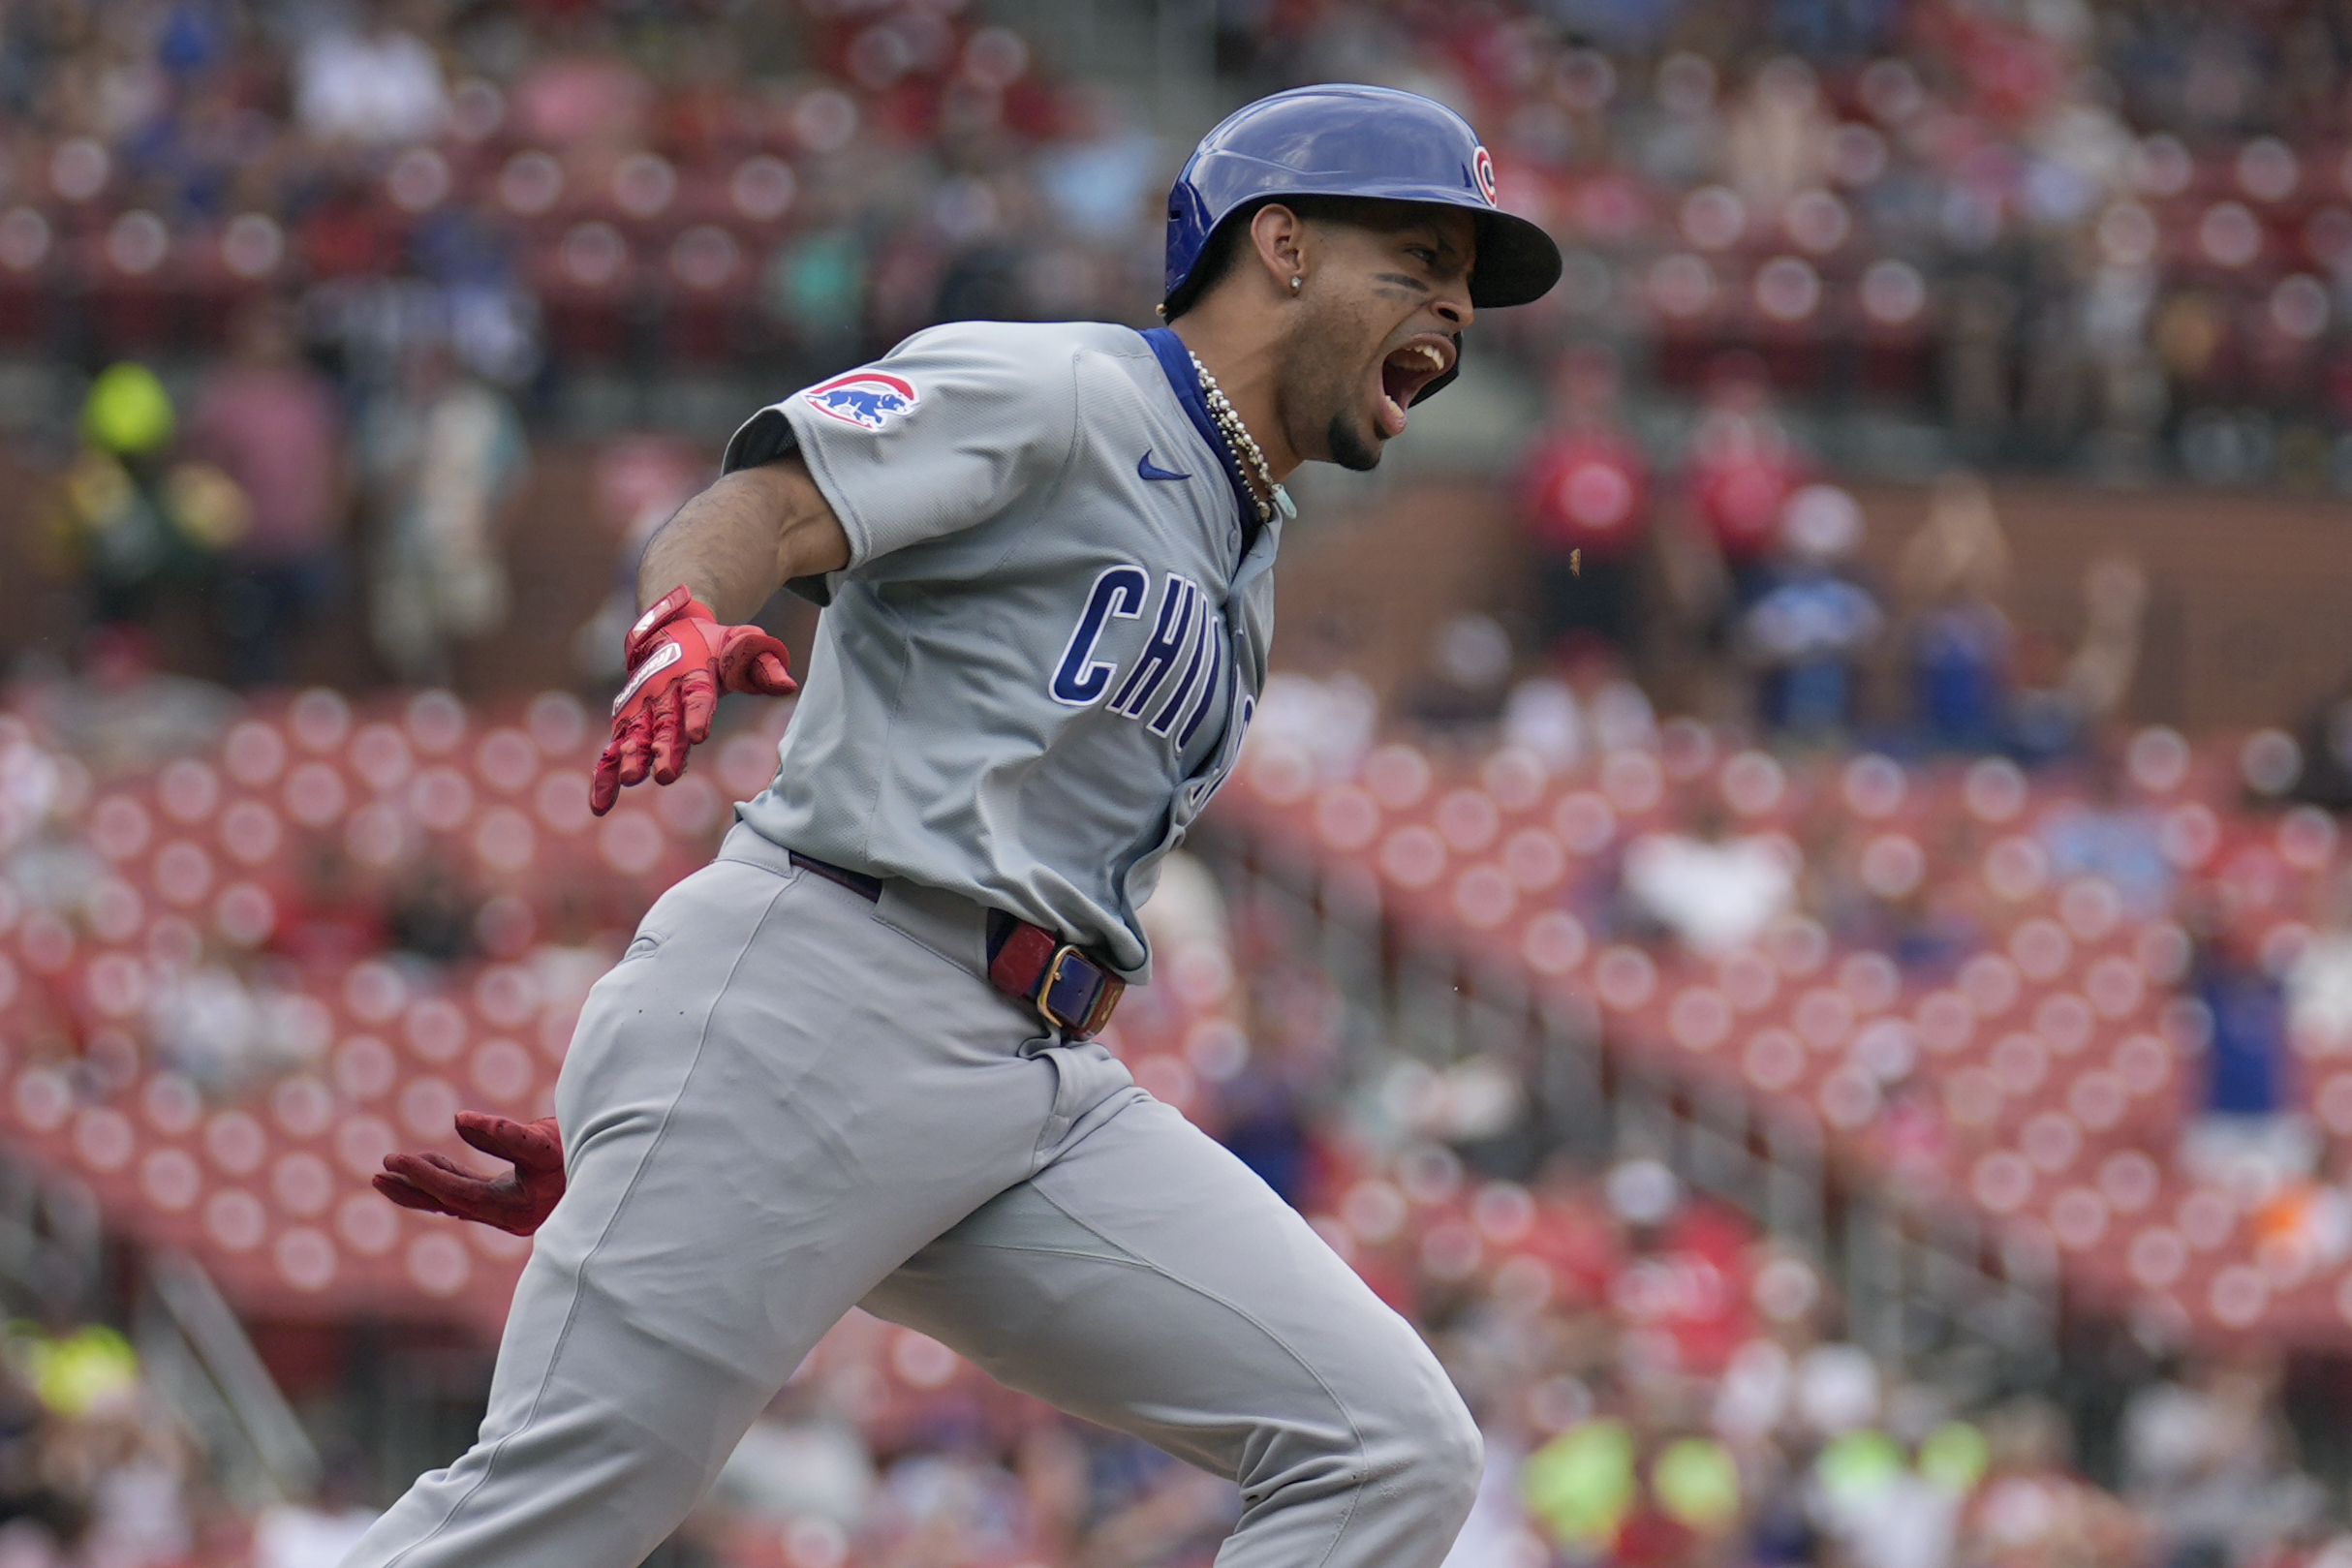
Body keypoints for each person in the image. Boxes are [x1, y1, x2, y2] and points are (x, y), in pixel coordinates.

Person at [352, 84, 1561, 1568]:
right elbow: (775, 504)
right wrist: (682, 621)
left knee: (1392, 1448)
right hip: (820, 1003)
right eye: (1422, 256)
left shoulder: (1245, 537)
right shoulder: (1069, 391)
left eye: (1465, 282)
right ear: (1286, 244)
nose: (1454, 304)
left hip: (1030, 1076)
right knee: (547, 1517)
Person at [182, 298, 346, 687]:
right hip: (246, 546)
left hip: (303, 541)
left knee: (317, 625)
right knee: (252, 643)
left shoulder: (311, 396)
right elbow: (197, 466)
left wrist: (328, 518)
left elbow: (336, 462)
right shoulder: (224, 396)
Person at [1515, 344, 1650, 660]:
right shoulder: (1547, 436)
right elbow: (1526, 495)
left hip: (1615, 556)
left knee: (1612, 625)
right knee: (1567, 617)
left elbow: (1640, 491)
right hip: (1567, 554)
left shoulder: (1622, 439)